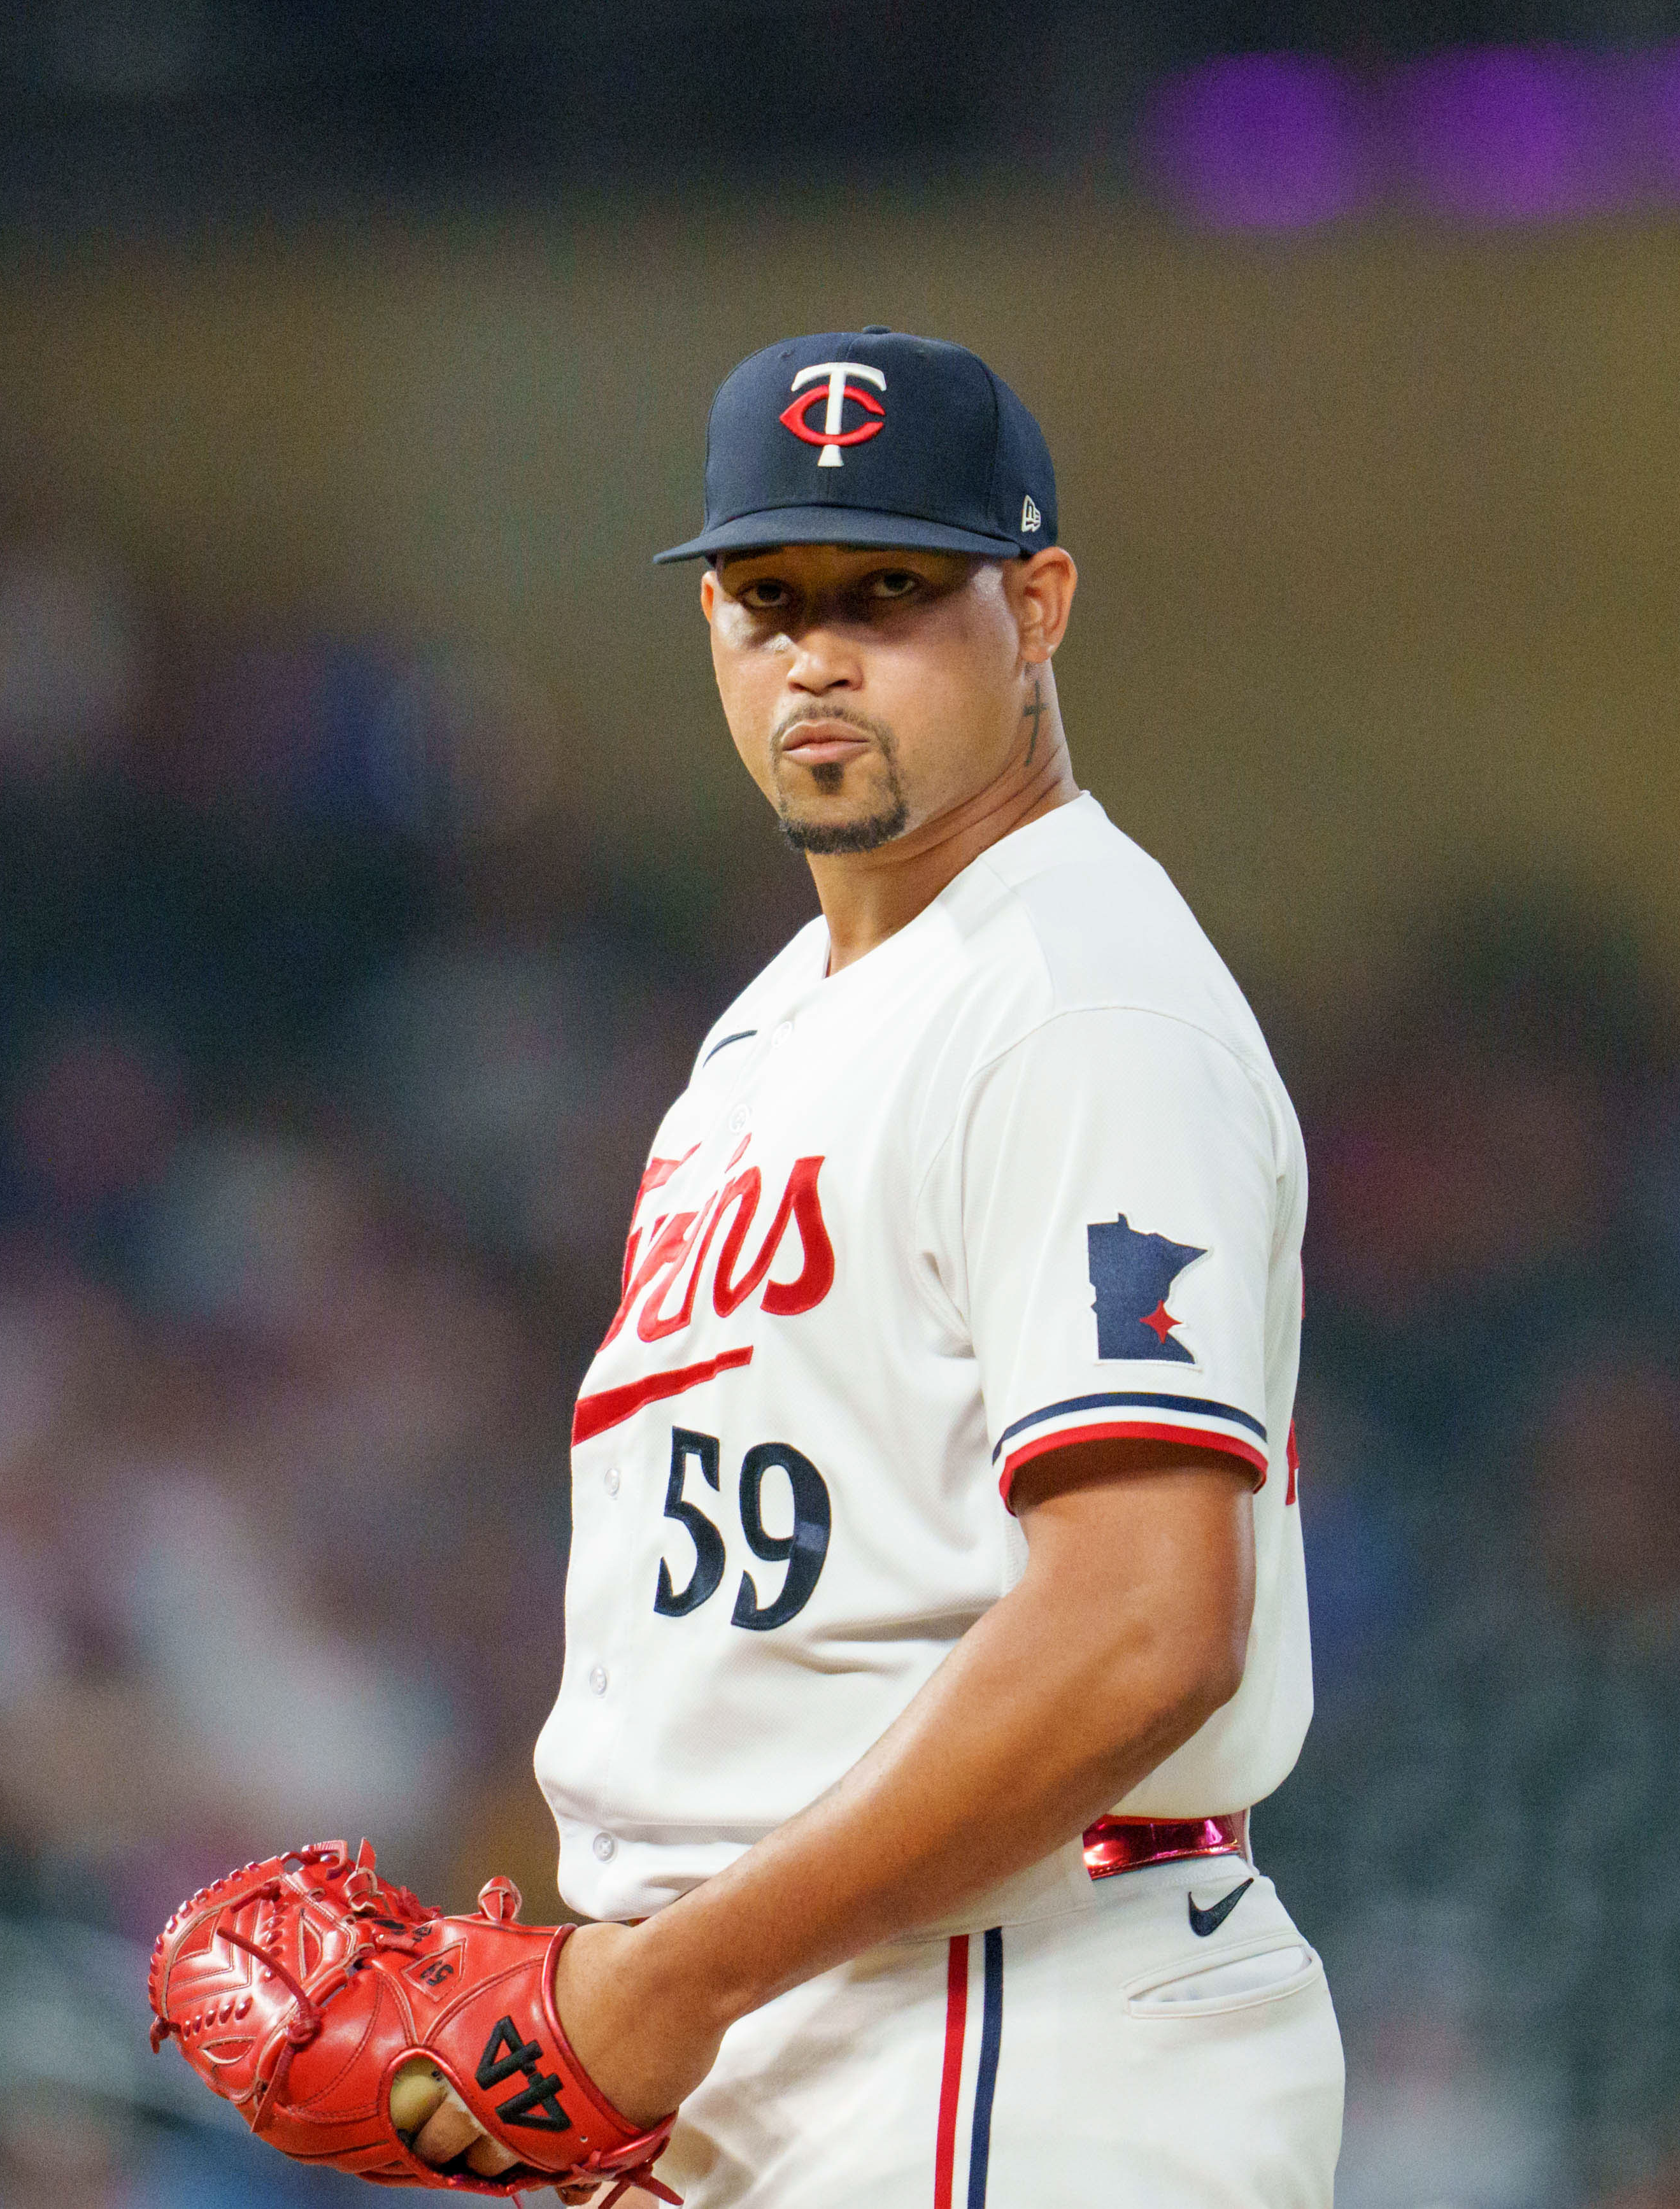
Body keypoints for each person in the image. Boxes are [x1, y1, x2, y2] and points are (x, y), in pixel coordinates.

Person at [399, 327, 1341, 2204]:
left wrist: (658, 1990)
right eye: (767, 600)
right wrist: (621, 2000)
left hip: (1009, 2008)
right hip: (801, 2014)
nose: (816, 655)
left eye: (892, 593)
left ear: (1040, 604)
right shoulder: (780, 1022)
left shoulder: (1079, 1003)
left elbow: (1145, 1627)